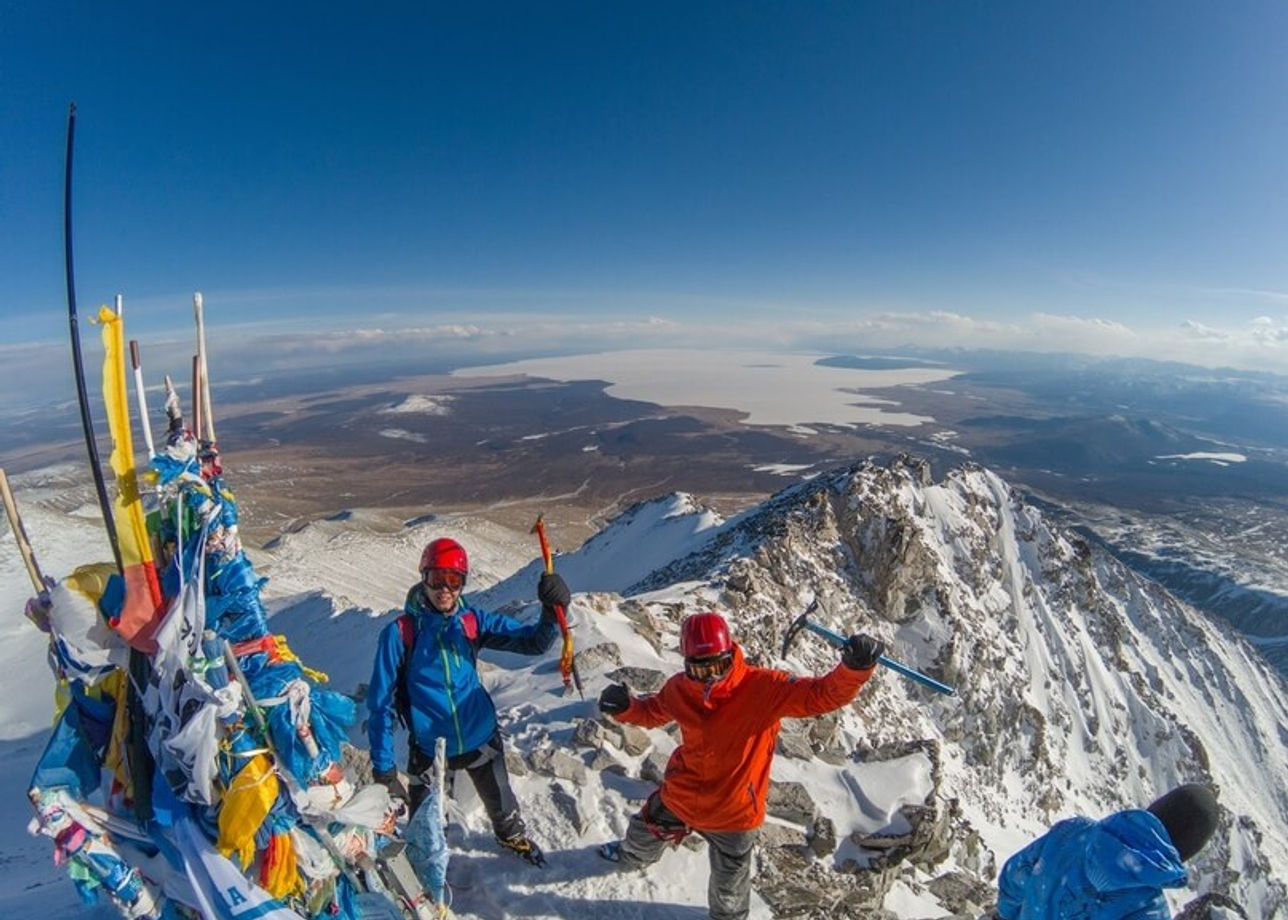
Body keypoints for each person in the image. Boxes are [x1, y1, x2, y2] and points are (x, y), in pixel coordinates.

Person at [596, 609, 885, 920]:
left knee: (730, 887)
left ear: (730, 654)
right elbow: (653, 712)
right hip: (682, 794)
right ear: (686, 664)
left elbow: (821, 695)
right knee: (643, 832)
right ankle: (631, 858)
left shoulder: (764, 688)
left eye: (717, 666)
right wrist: (627, 708)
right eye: (699, 668)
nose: (709, 677)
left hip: (732, 811)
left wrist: (854, 669)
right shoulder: (679, 688)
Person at [367, 536, 571, 873]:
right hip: (431, 748)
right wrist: (384, 769)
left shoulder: (473, 622)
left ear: (463, 583)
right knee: (426, 827)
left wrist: (552, 611)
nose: (444, 589)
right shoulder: (400, 633)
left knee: (502, 805)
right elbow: (379, 704)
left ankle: (510, 836)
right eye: (437, 579)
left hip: (480, 736)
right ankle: (425, 862)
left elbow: (535, 643)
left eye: (454, 580)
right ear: (423, 577)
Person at [995, 783, 1220, 920]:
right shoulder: (1150, 910)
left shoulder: (1074, 832)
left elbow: (1015, 875)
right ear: (1186, 852)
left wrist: (1005, 915)